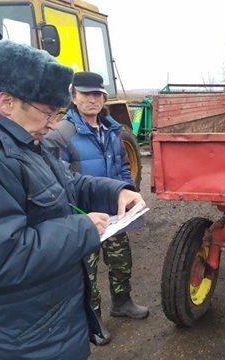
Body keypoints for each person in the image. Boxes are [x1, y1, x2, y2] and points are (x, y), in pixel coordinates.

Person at [0, 40, 146, 360]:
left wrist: (113, 191)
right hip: (14, 341)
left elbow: (62, 184)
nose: (54, 123)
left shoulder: (21, 140)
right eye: (48, 112)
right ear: (6, 102)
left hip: (42, 327)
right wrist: (82, 230)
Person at [46, 71, 149, 345]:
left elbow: (123, 167)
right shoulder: (61, 134)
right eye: (85, 94)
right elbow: (59, 180)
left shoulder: (113, 129)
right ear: (73, 97)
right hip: (85, 218)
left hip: (115, 214)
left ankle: (122, 302)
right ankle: (93, 319)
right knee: (86, 273)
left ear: (104, 97)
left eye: (97, 94)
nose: (92, 99)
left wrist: (128, 192)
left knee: (121, 261)